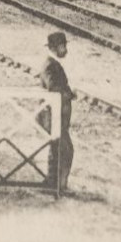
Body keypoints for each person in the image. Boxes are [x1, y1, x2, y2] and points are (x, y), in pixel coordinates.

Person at [38, 31, 76, 191]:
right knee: (65, 150)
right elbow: (54, 88)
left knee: (58, 148)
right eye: (63, 46)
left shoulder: (52, 63)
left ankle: (53, 182)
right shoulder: (50, 65)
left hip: (57, 116)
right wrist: (70, 94)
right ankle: (58, 185)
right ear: (55, 47)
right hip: (53, 116)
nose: (65, 49)